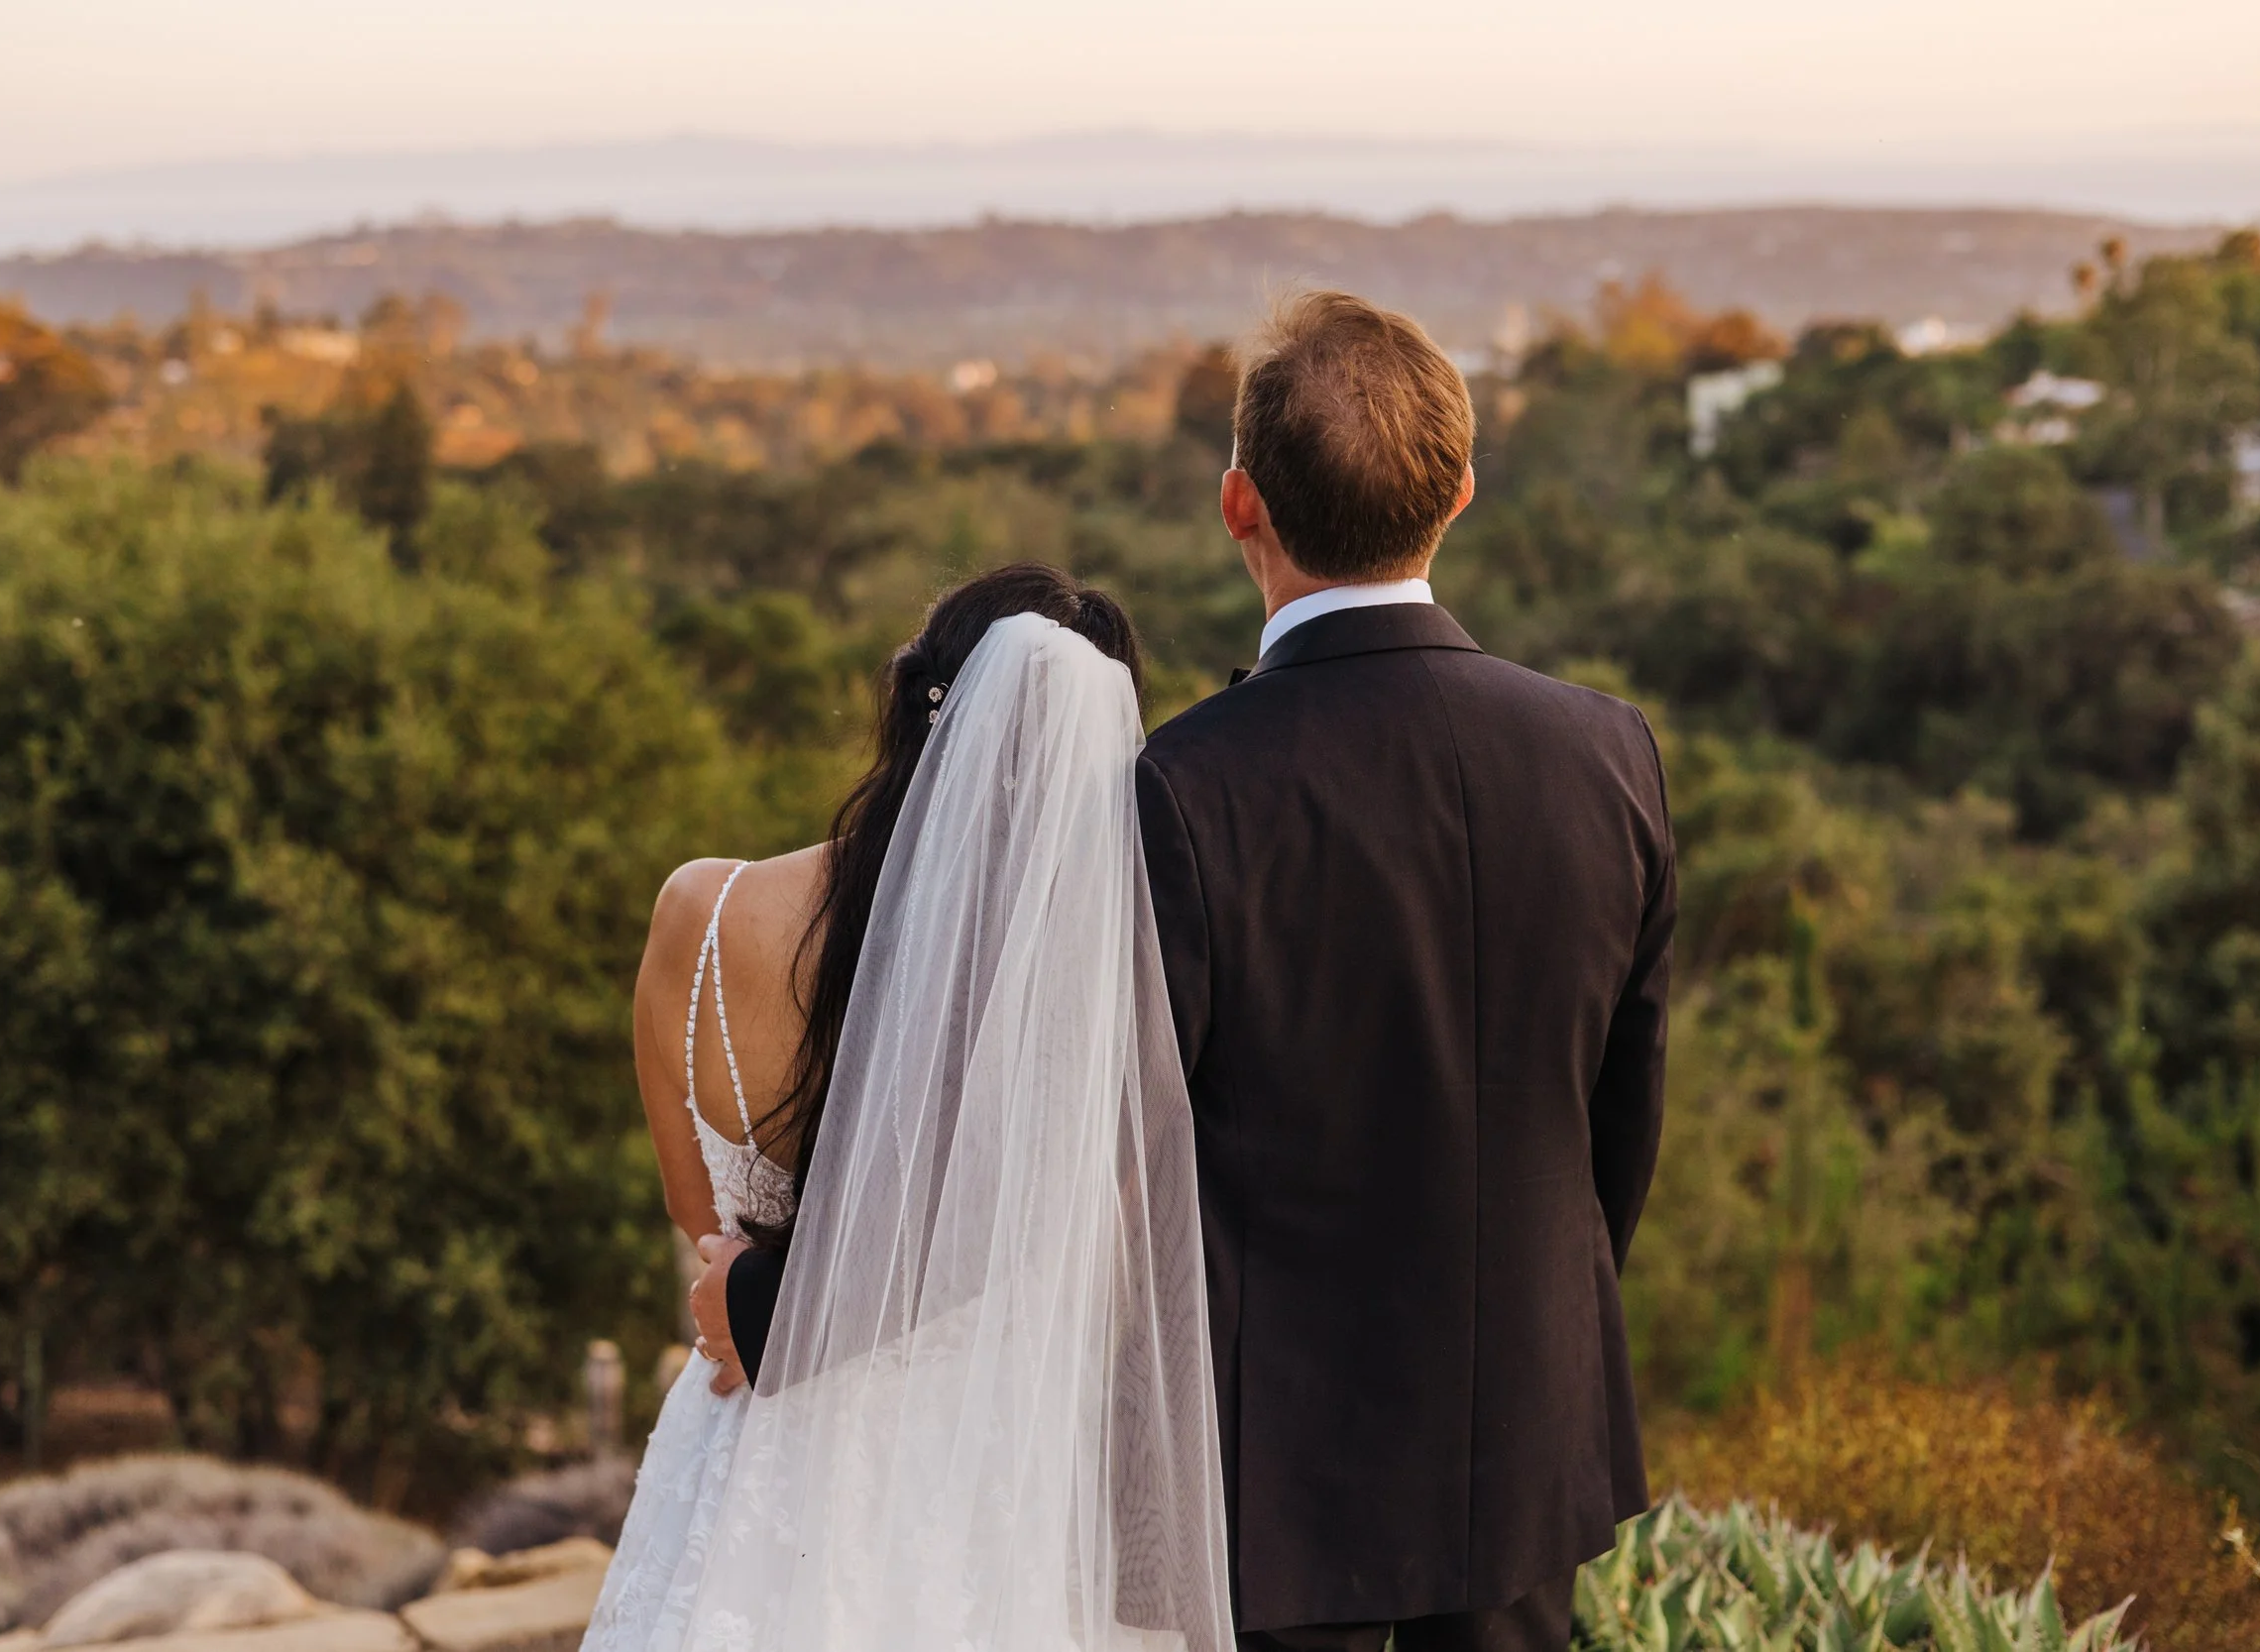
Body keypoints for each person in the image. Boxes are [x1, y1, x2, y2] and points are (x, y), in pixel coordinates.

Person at [708, 290, 1675, 1652]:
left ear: (1239, 507)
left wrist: (773, 1300)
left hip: (1272, 1466)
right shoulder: (1610, 749)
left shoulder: (1183, 789)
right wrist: (1542, 1326)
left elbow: (1050, 1149)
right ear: (1457, 495)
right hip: (1526, 1423)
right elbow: (1621, 1118)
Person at [586, 565, 1231, 1652]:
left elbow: (700, 1227)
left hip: (753, 1457)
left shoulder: (701, 911)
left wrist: (770, 1302)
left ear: (908, 700)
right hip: (980, 1489)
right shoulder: (1085, 1004)